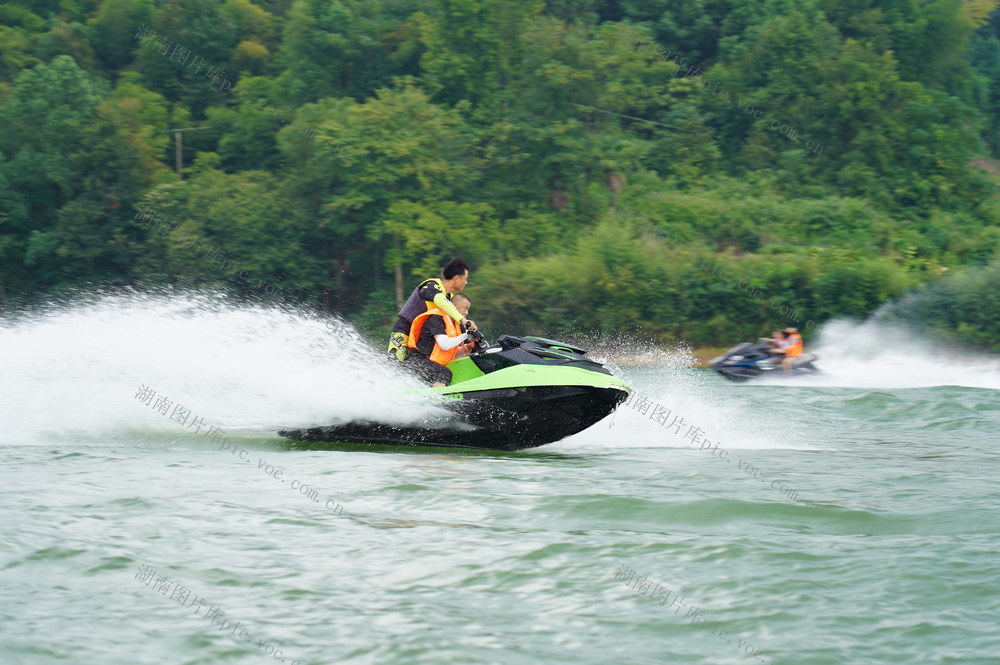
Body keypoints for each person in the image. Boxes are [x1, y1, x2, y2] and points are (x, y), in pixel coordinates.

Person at [387, 257, 477, 361]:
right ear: (456, 278)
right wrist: (463, 320)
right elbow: (441, 301)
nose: (466, 282)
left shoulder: (450, 299)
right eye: (465, 279)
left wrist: (472, 336)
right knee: (396, 364)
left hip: (419, 340)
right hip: (404, 331)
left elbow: (455, 323)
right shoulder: (432, 286)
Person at [405, 293, 476, 387]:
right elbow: (445, 345)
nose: (466, 313)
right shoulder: (436, 317)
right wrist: (467, 335)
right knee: (444, 374)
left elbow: (447, 351)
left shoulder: (455, 324)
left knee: (457, 368)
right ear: (454, 306)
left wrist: (467, 348)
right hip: (416, 361)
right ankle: (436, 396)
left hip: (429, 362)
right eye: (465, 308)